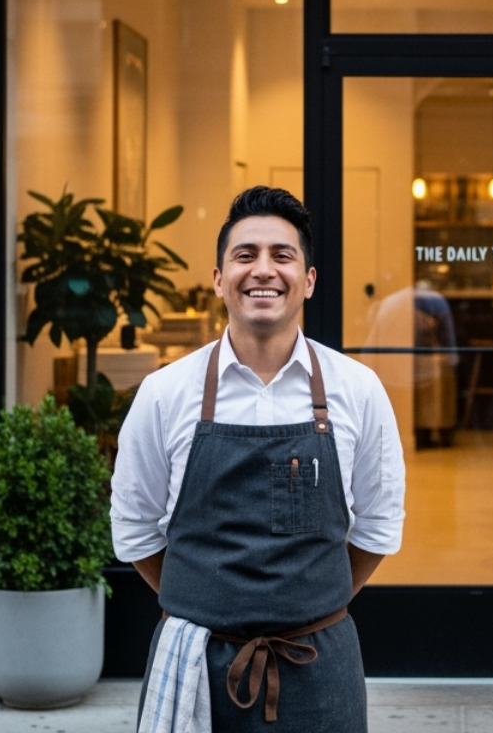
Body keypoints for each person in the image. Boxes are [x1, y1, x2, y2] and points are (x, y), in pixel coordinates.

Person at [111, 186, 405, 731]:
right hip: (194, 667)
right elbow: (134, 531)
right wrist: (207, 606)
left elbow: (380, 524)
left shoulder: (358, 391)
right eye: (245, 255)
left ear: (309, 281)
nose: (263, 270)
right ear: (219, 279)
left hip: (321, 670)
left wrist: (312, 607)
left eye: (282, 255)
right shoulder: (164, 393)